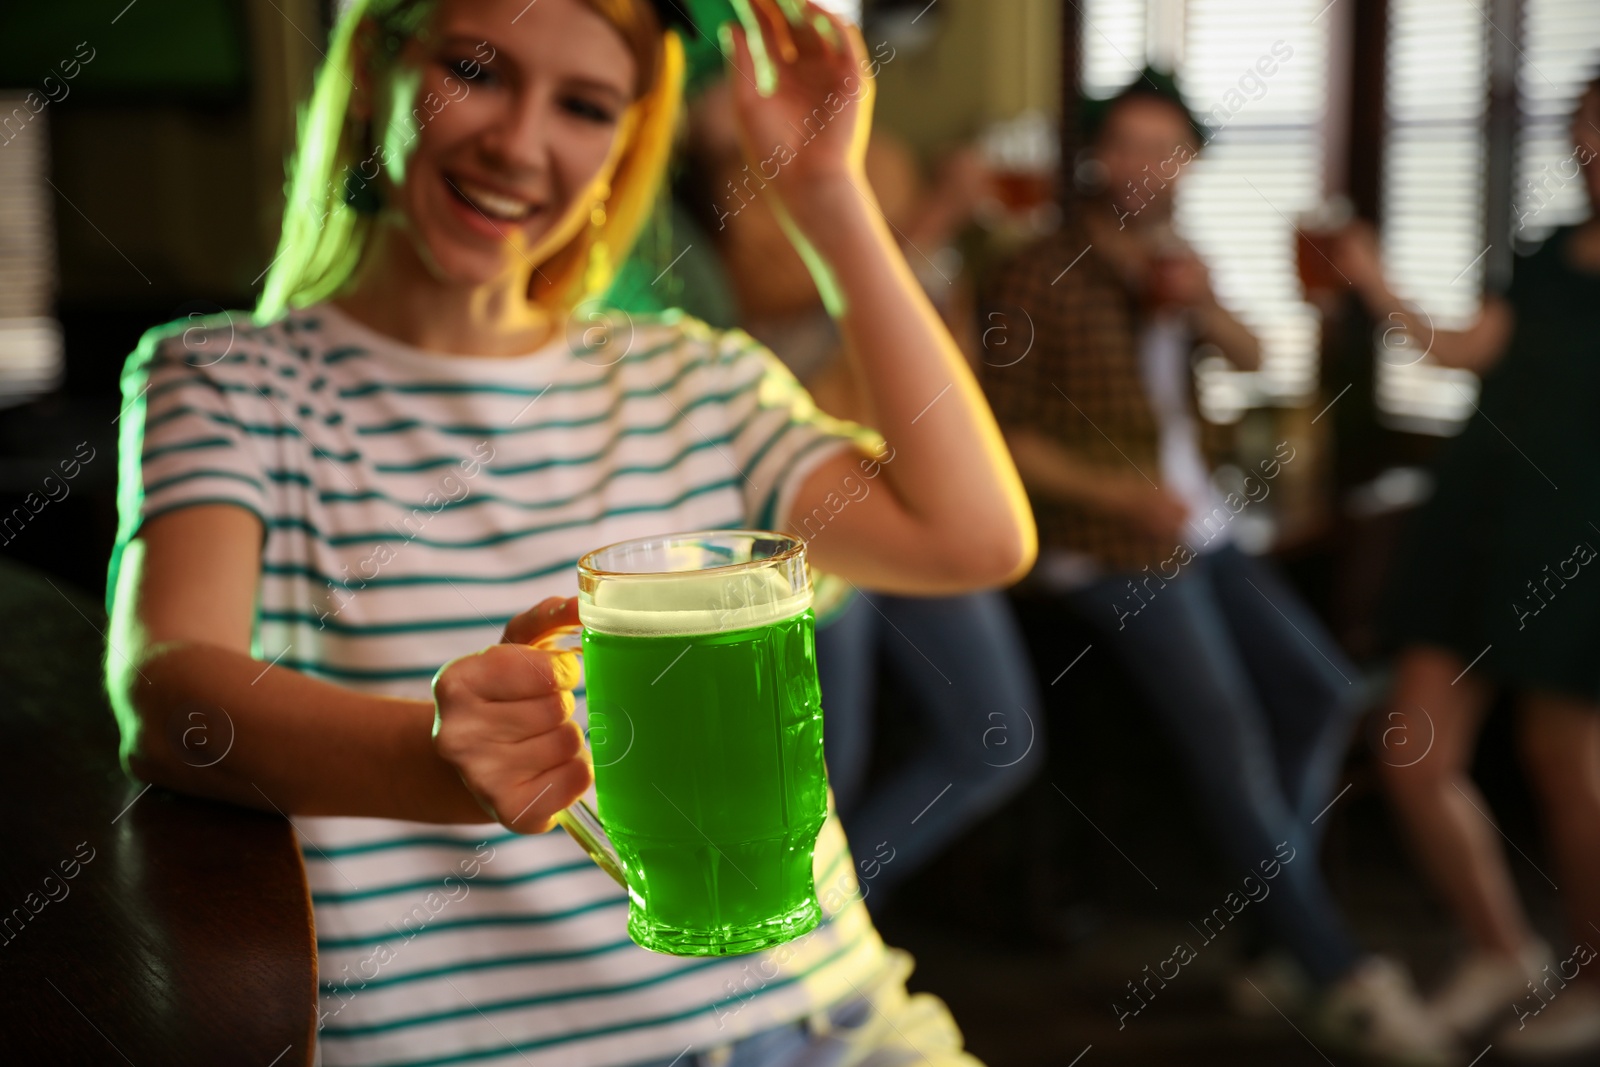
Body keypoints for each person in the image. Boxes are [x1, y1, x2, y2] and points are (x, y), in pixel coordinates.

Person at [102, 2, 1036, 1066]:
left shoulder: (693, 373)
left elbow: (974, 538)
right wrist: (440, 760)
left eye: (585, 106)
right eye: (477, 70)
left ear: (622, 148)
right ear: (375, 69)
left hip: (825, 1019)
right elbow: (171, 697)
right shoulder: (224, 376)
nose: (519, 141)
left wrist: (827, 195)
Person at [978, 68, 1452, 1065]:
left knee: (1321, 692)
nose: (1142, 165)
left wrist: (1196, 305)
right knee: (1230, 738)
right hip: (1098, 545)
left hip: (1197, 528)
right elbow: (997, 432)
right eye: (1125, 145)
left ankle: (1271, 933)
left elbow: (1243, 353)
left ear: (1187, 162)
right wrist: (1117, 496)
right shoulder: (1037, 267)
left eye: (1164, 147)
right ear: (1096, 158)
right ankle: (1339, 968)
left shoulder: (1173, 260)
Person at [683, 76, 1043, 907]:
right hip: (808, 505)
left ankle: (829, 911)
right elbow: (779, 312)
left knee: (998, 737)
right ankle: (801, 938)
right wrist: (932, 219)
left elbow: (914, 314)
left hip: (912, 490)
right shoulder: (720, 179)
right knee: (821, 780)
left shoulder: (877, 151)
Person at [1331, 72, 1600, 1059]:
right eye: (1582, 127)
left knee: (1567, 767)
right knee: (1412, 748)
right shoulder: (1541, 257)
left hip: (1579, 544)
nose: (1590, 146)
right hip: (1476, 523)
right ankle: (1500, 946)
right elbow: (1465, 349)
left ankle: (1593, 976)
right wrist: (1372, 284)